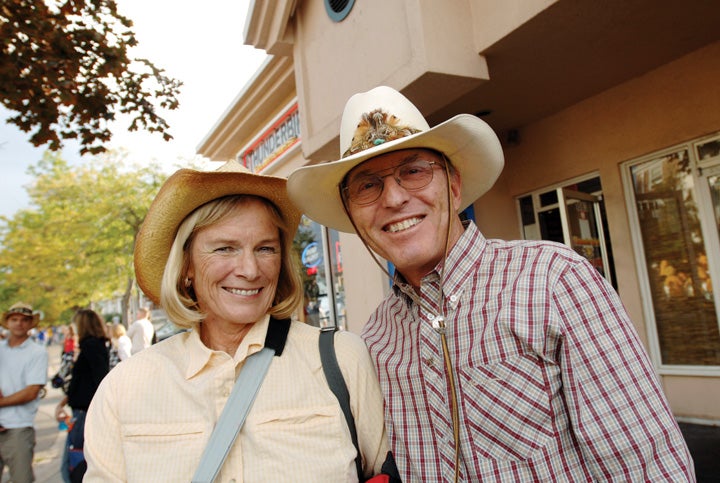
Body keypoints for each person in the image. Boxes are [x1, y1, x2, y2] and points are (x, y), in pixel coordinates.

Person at [286, 86, 695, 482]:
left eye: (413, 171)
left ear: (454, 185)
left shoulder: (552, 282)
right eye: (367, 185)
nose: (393, 198)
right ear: (353, 216)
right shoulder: (374, 341)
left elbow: (649, 468)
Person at [83, 160, 388, 481]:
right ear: (186, 266)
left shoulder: (341, 360)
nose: (250, 269)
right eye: (225, 248)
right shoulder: (124, 389)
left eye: (265, 248)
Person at [55, 309, 110, 482]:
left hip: (86, 413)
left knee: (74, 466)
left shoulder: (92, 346)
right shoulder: (93, 345)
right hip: (82, 411)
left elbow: (100, 380)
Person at [0, 302, 49, 483]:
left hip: (18, 427)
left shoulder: (37, 352)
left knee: (21, 479)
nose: (19, 323)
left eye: (24, 320)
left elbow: (30, 392)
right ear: (7, 322)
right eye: (14, 319)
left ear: (31, 324)